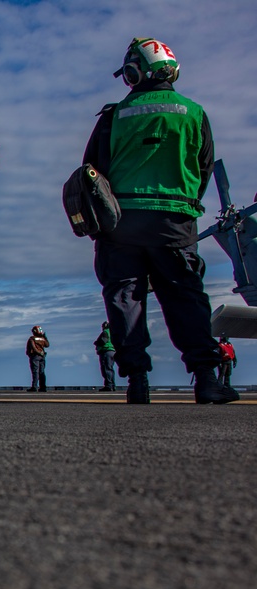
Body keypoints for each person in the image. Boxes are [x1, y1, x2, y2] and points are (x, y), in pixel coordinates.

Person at [82, 37, 237, 404]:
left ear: (136, 71)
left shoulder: (113, 116)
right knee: (185, 297)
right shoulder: (195, 113)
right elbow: (203, 168)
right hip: (175, 221)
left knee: (124, 299)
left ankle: (137, 382)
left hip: (121, 223)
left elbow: (91, 172)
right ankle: (206, 379)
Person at [25, 326, 49, 392]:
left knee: (35, 372)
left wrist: (37, 353)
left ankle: (34, 387)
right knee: (42, 372)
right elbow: (47, 345)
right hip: (42, 356)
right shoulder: (42, 339)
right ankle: (43, 387)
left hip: (35, 356)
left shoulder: (32, 339)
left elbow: (33, 348)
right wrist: (44, 337)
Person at [95, 321, 116, 391]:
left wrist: (96, 342)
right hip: (112, 351)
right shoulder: (113, 333)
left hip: (106, 351)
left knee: (106, 369)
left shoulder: (106, 332)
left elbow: (103, 341)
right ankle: (112, 385)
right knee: (110, 369)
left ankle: (109, 385)